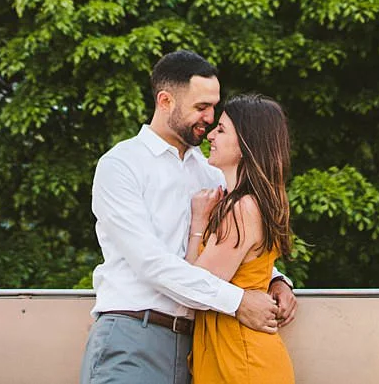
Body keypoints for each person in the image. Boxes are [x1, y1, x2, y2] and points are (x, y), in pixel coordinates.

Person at [81, 52, 298, 384]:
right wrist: (238, 300)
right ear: (165, 101)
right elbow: (150, 263)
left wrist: (274, 279)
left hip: (196, 346)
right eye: (201, 107)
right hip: (134, 336)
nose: (210, 118)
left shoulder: (210, 171)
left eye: (213, 107)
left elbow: (237, 242)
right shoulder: (121, 164)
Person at [185, 95, 296, 384]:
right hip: (242, 352)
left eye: (221, 130)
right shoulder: (258, 203)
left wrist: (198, 221)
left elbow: (195, 288)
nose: (210, 135)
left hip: (239, 358)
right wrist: (279, 281)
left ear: (245, 144)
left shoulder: (241, 209)